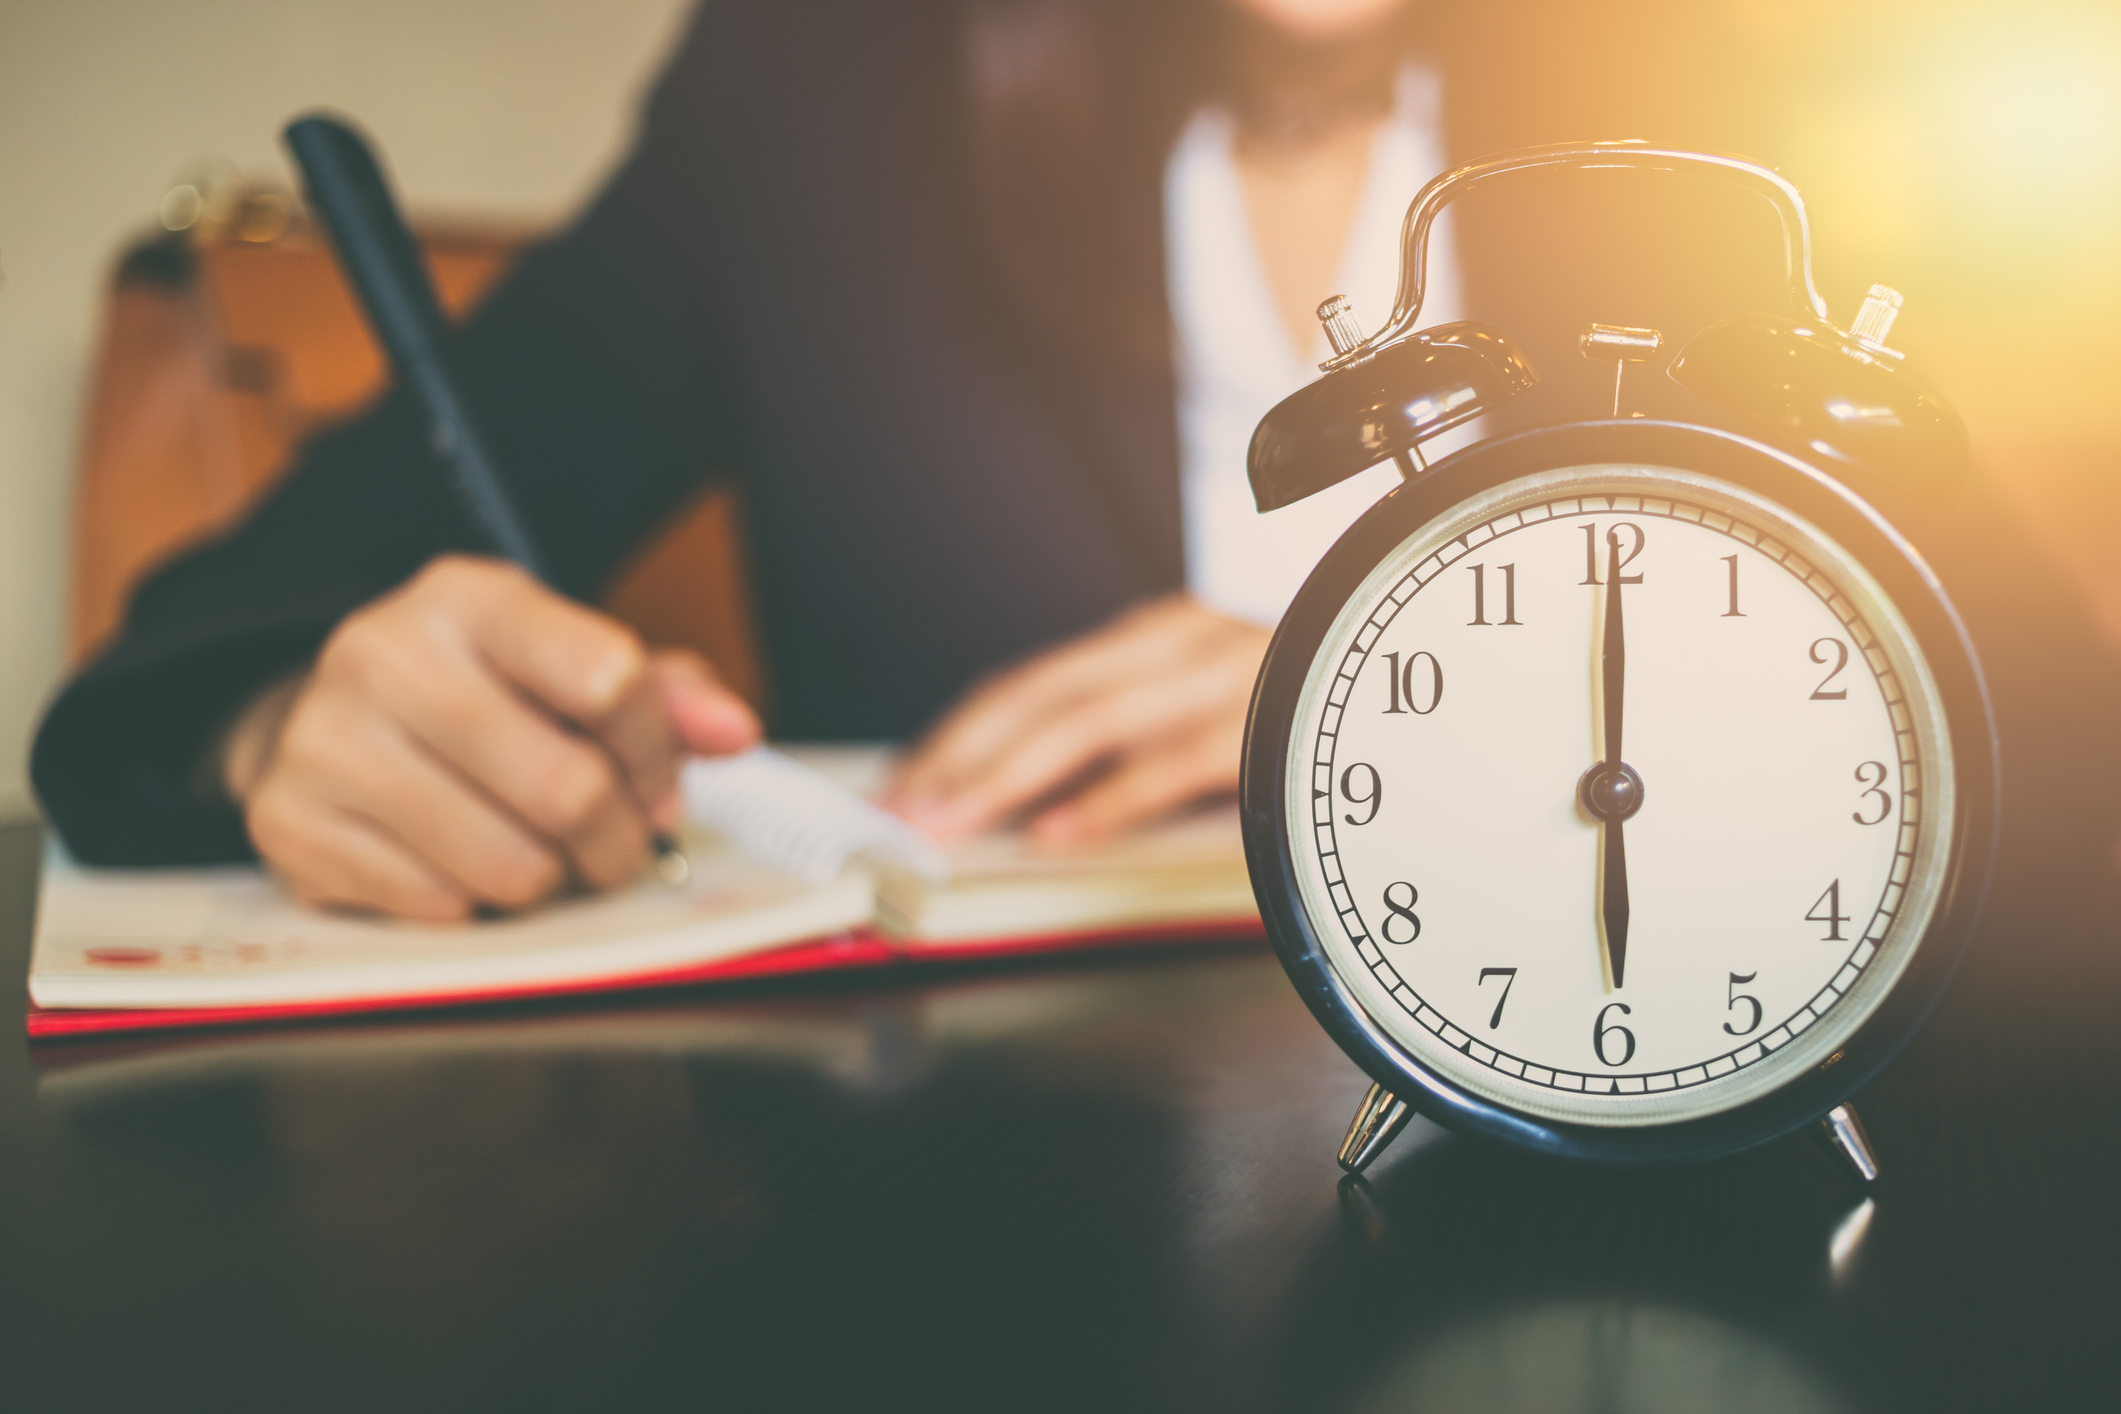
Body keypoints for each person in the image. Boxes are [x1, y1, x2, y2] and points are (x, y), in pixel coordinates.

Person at [37, 0, 2120, 925]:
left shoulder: (1701, 129)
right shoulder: (815, 84)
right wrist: (283, 718)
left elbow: (2044, 721)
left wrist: (1412, 698)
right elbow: (234, 616)